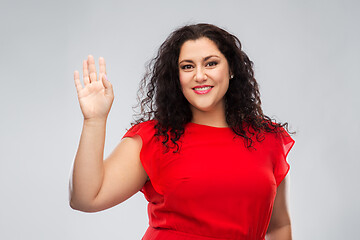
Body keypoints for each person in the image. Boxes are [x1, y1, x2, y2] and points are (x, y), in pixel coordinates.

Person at [69, 23, 295, 240]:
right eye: (187, 66)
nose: (199, 76)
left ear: (232, 69)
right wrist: (94, 120)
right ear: (177, 77)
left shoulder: (267, 139)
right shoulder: (155, 139)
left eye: (211, 63)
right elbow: (86, 198)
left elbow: (279, 226)